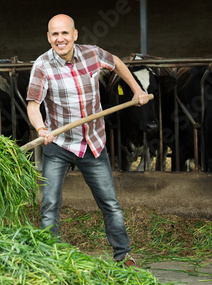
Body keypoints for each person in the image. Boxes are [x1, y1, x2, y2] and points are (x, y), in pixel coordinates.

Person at [26, 14, 149, 267]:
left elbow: (115, 62)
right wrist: (40, 128)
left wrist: (137, 89)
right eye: (55, 34)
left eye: (65, 33)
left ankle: (123, 255)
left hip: (93, 143)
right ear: (48, 38)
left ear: (75, 34)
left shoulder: (92, 54)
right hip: (58, 144)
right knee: (49, 203)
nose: (60, 39)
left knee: (110, 203)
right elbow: (33, 104)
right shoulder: (42, 65)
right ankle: (50, 258)